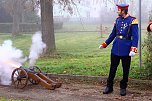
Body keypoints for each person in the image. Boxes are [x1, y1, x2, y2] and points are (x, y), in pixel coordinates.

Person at [99, 4, 138, 96]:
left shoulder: (132, 20)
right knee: (112, 68)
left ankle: (123, 87)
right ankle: (109, 86)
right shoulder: (117, 20)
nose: (117, 11)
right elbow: (113, 34)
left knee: (125, 69)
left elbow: (136, 36)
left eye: (119, 10)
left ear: (123, 11)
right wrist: (105, 44)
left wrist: (133, 49)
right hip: (116, 48)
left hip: (126, 49)